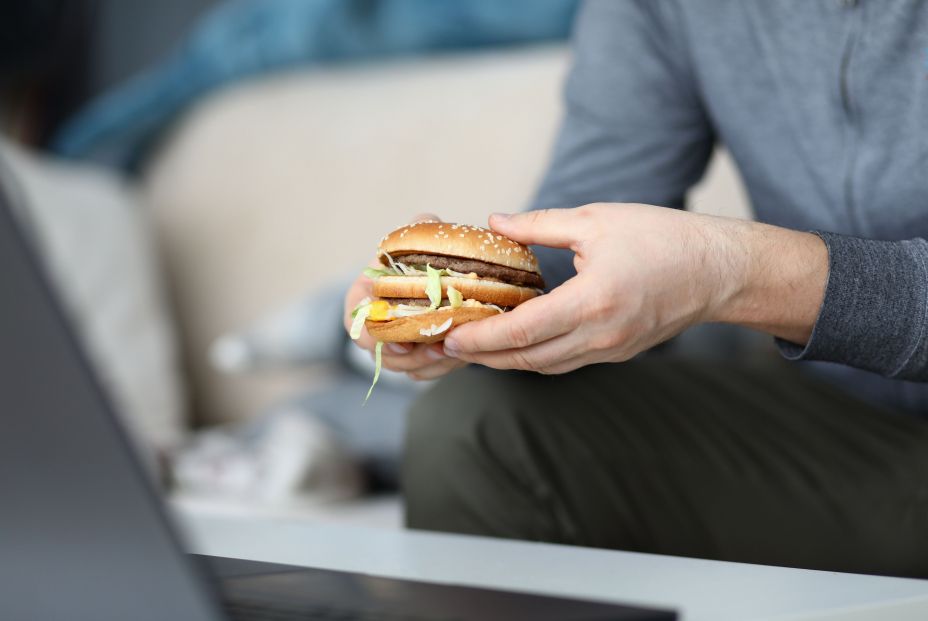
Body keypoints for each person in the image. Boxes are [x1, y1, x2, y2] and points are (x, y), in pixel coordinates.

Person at [344, 0, 928, 577]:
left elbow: (719, 270)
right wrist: (461, 309)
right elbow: (584, 224)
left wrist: (734, 272)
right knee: (475, 431)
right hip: (830, 411)